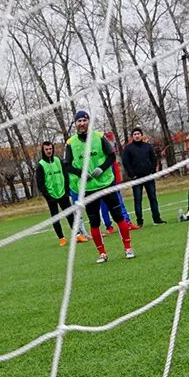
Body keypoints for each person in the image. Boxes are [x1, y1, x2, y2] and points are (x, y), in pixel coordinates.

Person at [65, 109, 134, 262]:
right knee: (94, 221)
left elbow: (111, 156)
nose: (82, 123)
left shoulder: (100, 137)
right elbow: (67, 165)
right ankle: (102, 253)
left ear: (88, 121)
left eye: (84, 120)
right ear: (75, 124)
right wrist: (81, 173)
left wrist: (101, 168)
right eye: (79, 121)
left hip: (106, 183)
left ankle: (128, 248)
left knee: (118, 217)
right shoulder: (70, 143)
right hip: (89, 189)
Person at [120, 127, 166, 226]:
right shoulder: (128, 148)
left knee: (153, 198)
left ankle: (157, 218)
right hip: (136, 178)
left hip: (148, 177)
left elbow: (153, 159)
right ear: (132, 136)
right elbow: (126, 163)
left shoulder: (148, 146)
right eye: (135, 134)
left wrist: (152, 172)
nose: (137, 136)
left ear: (141, 135)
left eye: (138, 134)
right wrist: (132, 175)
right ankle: (139, 222)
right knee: (138, 200)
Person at [35, 140, 77, 246]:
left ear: (53, 149)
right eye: (46, 149)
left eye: (50, 149)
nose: (49, 151)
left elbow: (65, 175)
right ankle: (61, 238)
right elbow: (40, 183)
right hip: (51, 196)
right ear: (43, 151)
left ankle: (77, 235)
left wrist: (67, 190)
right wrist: (47, 196)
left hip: (63, 193)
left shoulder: (58, 160)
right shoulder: (41, 165)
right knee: (55, 217)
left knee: (70, 215)